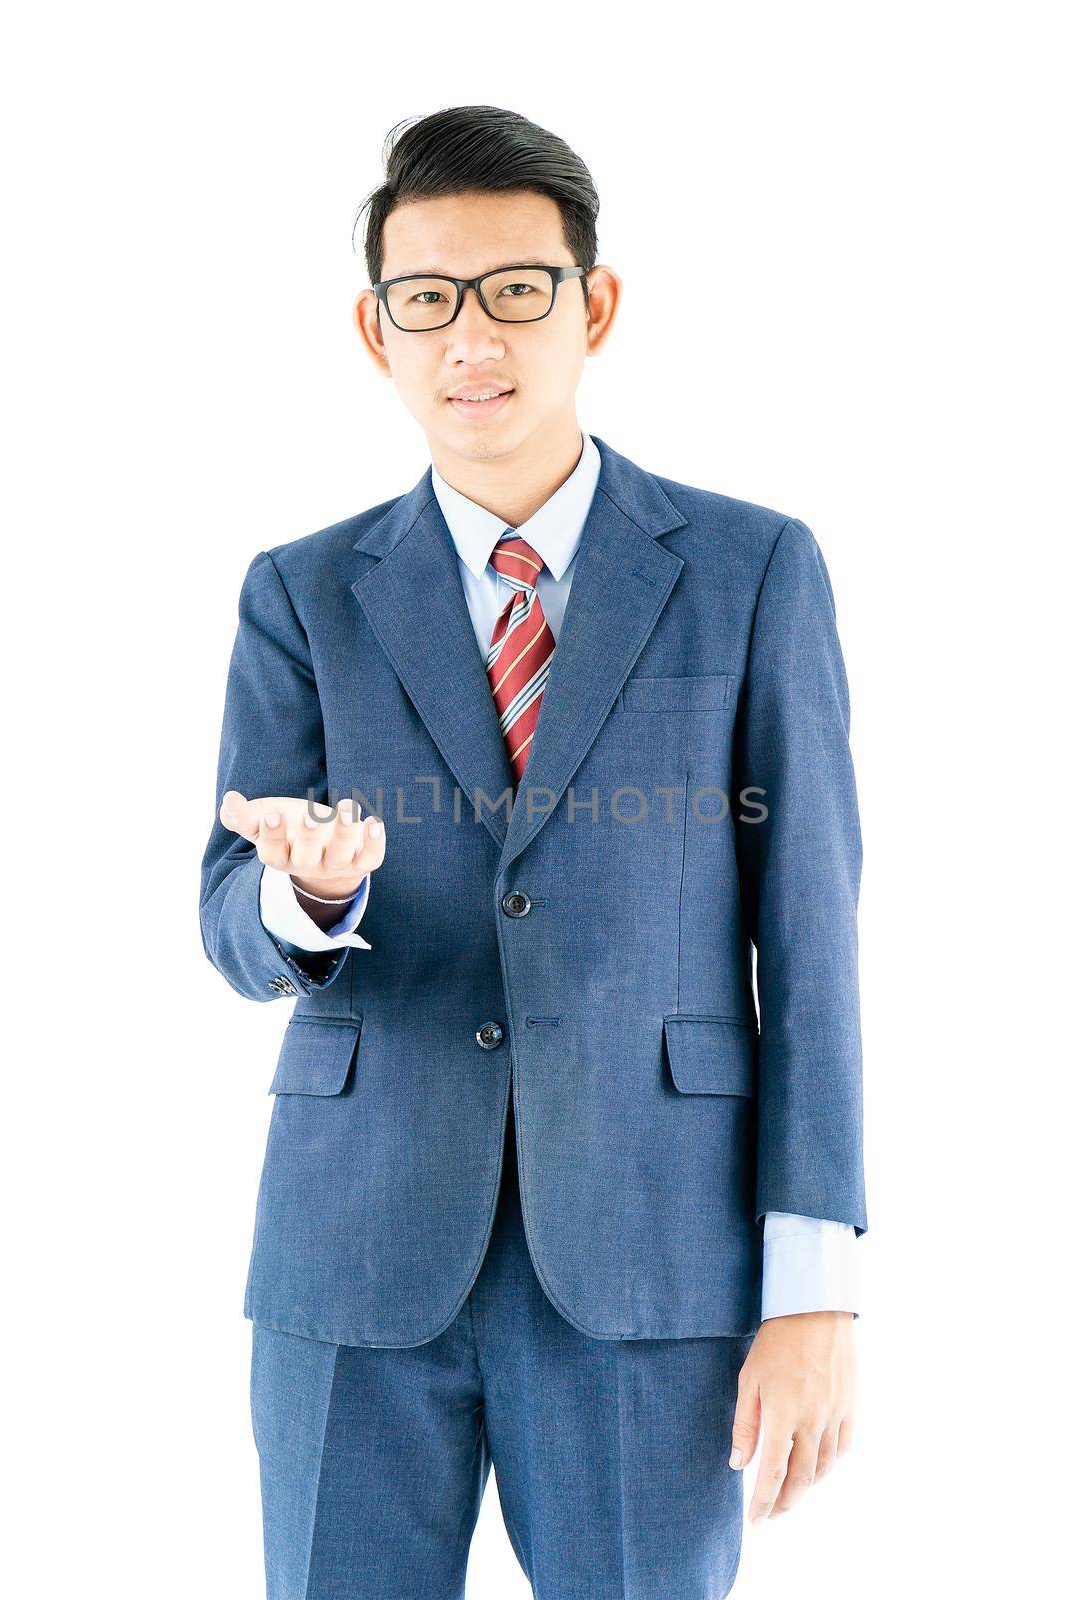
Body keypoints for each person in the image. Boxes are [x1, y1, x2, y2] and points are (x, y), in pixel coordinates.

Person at [199, 103, 866, 1600]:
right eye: (425, 300)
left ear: (593, 307)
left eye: (514, 289)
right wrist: (307, 894)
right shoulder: (301, 593)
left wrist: (814, 1283)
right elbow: (226, 917)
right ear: (377, 333)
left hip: (654, 1257)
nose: (470, 336)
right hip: (352, 1258)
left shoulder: (751, 569)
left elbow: (811, 939)